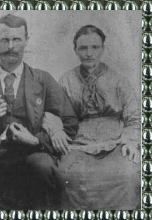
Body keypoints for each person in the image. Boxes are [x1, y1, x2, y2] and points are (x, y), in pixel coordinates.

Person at [0, 14, 78, 210]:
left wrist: (37, 140)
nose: (11, 46)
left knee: (43, 167)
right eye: (5, 39)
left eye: (17, 40)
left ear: (26, 41)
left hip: (33, 153)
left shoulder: (43, 80)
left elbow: (70, 122)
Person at [54, 25, 141, 210]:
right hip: (78, 145)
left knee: (128, 174)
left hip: (116, 144)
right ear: (75, 50)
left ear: (103, 48)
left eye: (95, 47)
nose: (89, 53)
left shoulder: (118, 81)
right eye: (83, 48)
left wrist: (131, 141)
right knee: (68, 175)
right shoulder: (66, 81)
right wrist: (56, 131)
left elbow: (134, 118)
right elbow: (54, 114)